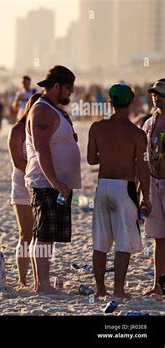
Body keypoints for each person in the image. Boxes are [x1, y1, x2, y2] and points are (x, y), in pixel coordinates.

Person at [88, 82, 150, 298]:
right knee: (122, 241)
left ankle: (100, 289)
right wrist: (146, 199)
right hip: (124, 188)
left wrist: (107, 155)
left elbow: (90, 159)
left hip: (103, 186)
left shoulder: (97, 127)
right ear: (131, 103)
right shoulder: (137, 133)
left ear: (110, 103)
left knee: (100, 242)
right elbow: (144, 169)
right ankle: (118, 290)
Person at [25, 65, 81, 294]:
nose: (71, 92)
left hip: (55, 183)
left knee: (48, 235)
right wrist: (56, 181)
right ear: (56, 86)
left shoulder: (53, 110)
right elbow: (41, 150)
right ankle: (43, 284)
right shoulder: (42, 111)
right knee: (43, 234)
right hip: (45, 182)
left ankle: (42, 283)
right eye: (69, 87)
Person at [8, 92, 42, 287]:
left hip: (42, 183)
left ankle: (39, 278)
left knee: (41, 234)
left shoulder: (43, 129)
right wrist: (40, 167)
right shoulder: (18, 130)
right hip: (23, 184)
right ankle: (22, 279)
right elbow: (18, 162)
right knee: (25, 234)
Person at [142, 78, 165, 296]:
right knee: (159, 237)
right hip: (153, 182)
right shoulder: (149, 123)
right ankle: (159, 286)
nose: (155, 96)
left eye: (159, 93)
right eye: (153, 93)